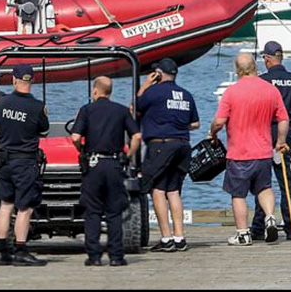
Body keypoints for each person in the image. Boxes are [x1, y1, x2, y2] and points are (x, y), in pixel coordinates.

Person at [209, 54, 290, 246]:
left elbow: (219, 121)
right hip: (263, 151)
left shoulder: (231, 92)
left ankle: (243, 233)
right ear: (255, 67)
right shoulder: (270, 90)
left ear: (237, 69)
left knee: (238, 194)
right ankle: (270, 217)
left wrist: (212, 132)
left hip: (239, 153)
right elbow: (283, 119)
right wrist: (280, 141)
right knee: (264, 188)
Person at [132, 58, 199, 253]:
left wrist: (144, 85)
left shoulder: (152, 92)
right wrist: (175, 124)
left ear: (158, 74)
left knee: (158, 190)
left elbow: (133, 109)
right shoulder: (186, 95)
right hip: (182, 146)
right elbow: (195, 124)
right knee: (174, 191)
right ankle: (180, 237)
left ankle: (166, 238)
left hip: (160, 146)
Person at [71, 77, 138, 267]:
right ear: (110, 91)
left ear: (94, 91)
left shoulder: (86, 110)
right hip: (114, 163)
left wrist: (81, 150)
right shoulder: (122, 111)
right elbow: (137, 136)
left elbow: (76, 136)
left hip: (93, 163)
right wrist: (128, 155)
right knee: (114, 211)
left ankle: (94, 256)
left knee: (92, 210)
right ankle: (116, 256)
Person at [250, 42, 291, 241]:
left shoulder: (262, 81)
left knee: (262, 182)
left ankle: (258, 227)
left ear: (267, 59)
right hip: (287, 133)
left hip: (265, 133)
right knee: (287, 183)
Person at [0, 64, 49, 267]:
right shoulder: (37, 106)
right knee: (25, 208)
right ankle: (21, 249)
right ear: (32, 81)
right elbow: (44, 131)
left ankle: (1, 251)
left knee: (6, 205)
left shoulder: (2, 103)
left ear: (14, 80)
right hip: (25, 161)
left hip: (5, 160)